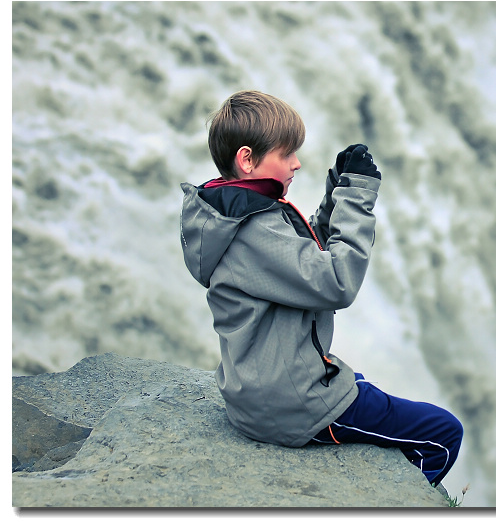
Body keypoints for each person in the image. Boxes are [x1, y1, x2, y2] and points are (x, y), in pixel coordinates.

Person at [179, 90, 462, 486]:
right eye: (286, 154)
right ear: (247, 159)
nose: (297, 163)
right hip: (290, 406)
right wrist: (357, 196)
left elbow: (303, 258)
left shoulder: (229, 215)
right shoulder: (254, 231)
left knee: (359, 383)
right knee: (443, 433)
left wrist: (333, 194)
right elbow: (336, 282)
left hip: (256, 391)